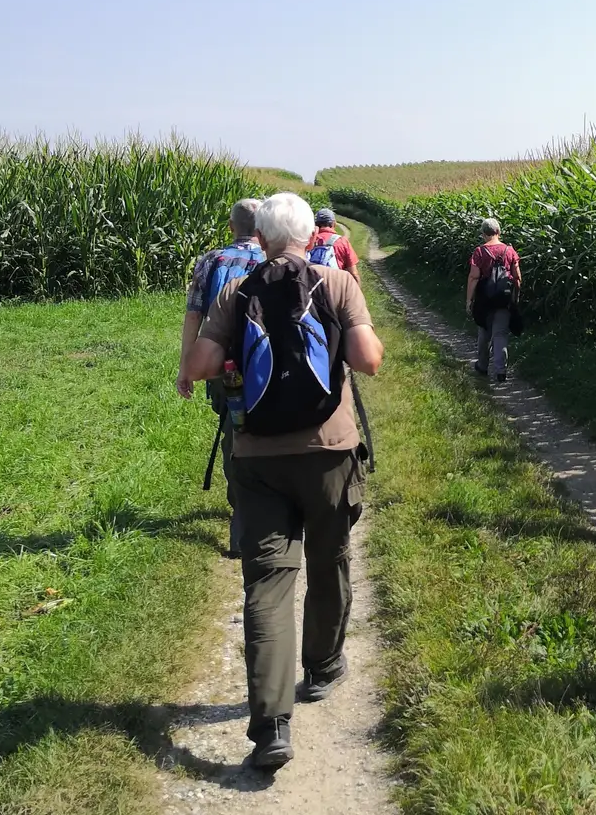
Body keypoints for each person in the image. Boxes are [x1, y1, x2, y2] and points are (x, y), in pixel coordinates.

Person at [184, 192, 384, 770]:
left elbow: (199, 366)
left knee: (267, 585)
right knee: (328, 560)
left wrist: (224, 363)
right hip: (329, 452)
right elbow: (368, 359)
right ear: (307, 234)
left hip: (257, 458)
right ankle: (322, 667)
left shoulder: (236, 291)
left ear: (264, 237)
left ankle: (271, 725)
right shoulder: (337, 283)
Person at [177, 197, 265, 557]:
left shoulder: (210, 261)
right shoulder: (271, 258)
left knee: (234, 430)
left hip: (222, 367)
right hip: (265, 364)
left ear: (231, 227)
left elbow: (193, 317)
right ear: (262, 230)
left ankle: (241, 521)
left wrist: (186, 367)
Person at [464, 217, 522, 382]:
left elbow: (474, 277)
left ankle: (482, 366)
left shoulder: (479, 252)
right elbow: (517, 278)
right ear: (499, 232)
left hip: (484, 300)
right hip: (504, 299)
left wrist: (469, 301)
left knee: (484, 333)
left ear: (483, 234)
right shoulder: (509, 251)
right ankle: (500, 371)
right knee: (501, 334)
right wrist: (515, 297)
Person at [308, 207, 361, 284]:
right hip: (335, 288)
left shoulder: (309, 240)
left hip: (312, 289)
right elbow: (354, 274)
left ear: (316, 224)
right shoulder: (342, 241)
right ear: (334, 223)